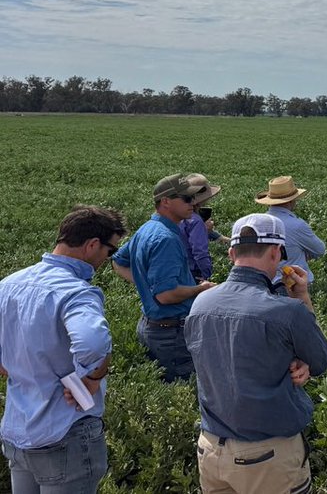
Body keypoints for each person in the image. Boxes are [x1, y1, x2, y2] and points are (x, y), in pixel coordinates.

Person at [185, 214, 327, 494]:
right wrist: (302, 297)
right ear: (277, 253)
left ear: (231, 253)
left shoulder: (200, 303)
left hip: (211, 449)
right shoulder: (287, 311)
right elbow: (321, 359)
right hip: (267, 455)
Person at [0, 206, 126, 494]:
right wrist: (93, 376)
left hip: (18, 432)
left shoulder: (9, 284)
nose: (108, 259)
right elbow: (92, 344)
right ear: (92, 245)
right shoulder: (76, 292)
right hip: (65, 433)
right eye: (110, 251)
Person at [112, 173, 217, 382]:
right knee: (183, 389)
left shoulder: (148, 228)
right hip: (171, 334)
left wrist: (145, 284)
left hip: (152, 326)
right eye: (187, 199)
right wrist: (202, 289)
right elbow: (166, 295)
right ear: (166, 202)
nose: (193, 203)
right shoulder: (166, 238)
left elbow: (117, 261)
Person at [258, 176, 326, 283]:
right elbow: (320, 250)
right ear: (291, 201)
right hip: (293, 285)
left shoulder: (257, 222)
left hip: (264, 284)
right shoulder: (297, 225)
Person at [178, 173, 222, 282]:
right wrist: (207, 275)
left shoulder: (177, 215)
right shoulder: (196, 221)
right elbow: (200, 252)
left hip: (177, 269)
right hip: (193, 273)